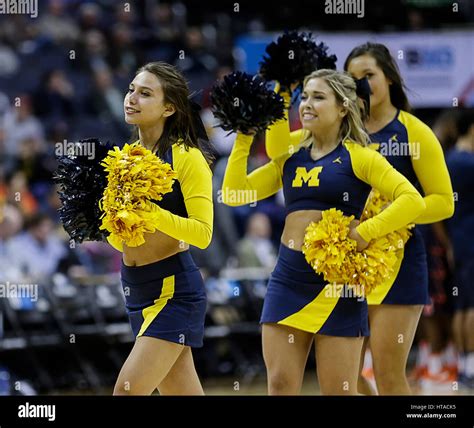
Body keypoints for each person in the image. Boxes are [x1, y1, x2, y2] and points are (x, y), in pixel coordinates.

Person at [264, 43, 454, 394]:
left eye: (369, 76)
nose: (361, 83)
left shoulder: (413, 132)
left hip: (393, 262)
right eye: (353, 77)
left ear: (390, 80)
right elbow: (279, 152)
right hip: (340, 262)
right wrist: (279, 91)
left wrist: (380, 220)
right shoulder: (328, 128)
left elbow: (443, 203)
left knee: (387, 373)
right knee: (347, 378)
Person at [222, 69, 425, 395]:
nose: (307, 104)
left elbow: (411, 200)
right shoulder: (290, 156)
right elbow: (234, 194)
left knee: (340, 391)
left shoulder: (360, 157)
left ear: (343, 107)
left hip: (338, 286)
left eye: (318, 97)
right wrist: (244, 137)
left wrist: (366, 231)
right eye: (304, 97)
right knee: (280, 385)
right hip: (288, 279)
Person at [111, 62, 213, 395]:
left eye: (144, 93)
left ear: (169, 107)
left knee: (127, 390)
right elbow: (124, 240)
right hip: (136, 289)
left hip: (174, 290)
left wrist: (152, 214)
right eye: (130, 90)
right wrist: (105, 223)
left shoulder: (186, 157)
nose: (132, 98)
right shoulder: (126, 159)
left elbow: (202, 233)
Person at [446, 109, 474, 389]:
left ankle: (465, 365)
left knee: (462, 305)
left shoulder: (450, 159)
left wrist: (449, 243)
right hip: (470, 241)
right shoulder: (467, 163)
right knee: (471, 306)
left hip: (459, 241)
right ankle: (469, 367)